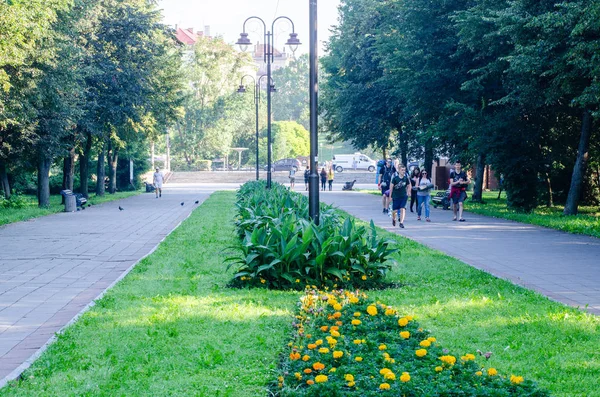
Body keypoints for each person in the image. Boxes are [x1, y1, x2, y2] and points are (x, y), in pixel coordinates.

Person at [389, 163, 410, 228]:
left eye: (404, 170)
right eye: (402, 170)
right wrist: (390, 196)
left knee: (402, 209)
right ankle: (394, 219)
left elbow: (409, 185)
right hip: (396, 196)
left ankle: (401, 222)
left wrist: (408, 192)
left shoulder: (406, 178)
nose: (403, 171)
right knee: (394, 211)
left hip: (403, 196)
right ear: (399, 170)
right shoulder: (395, 178)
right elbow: (391, 187)